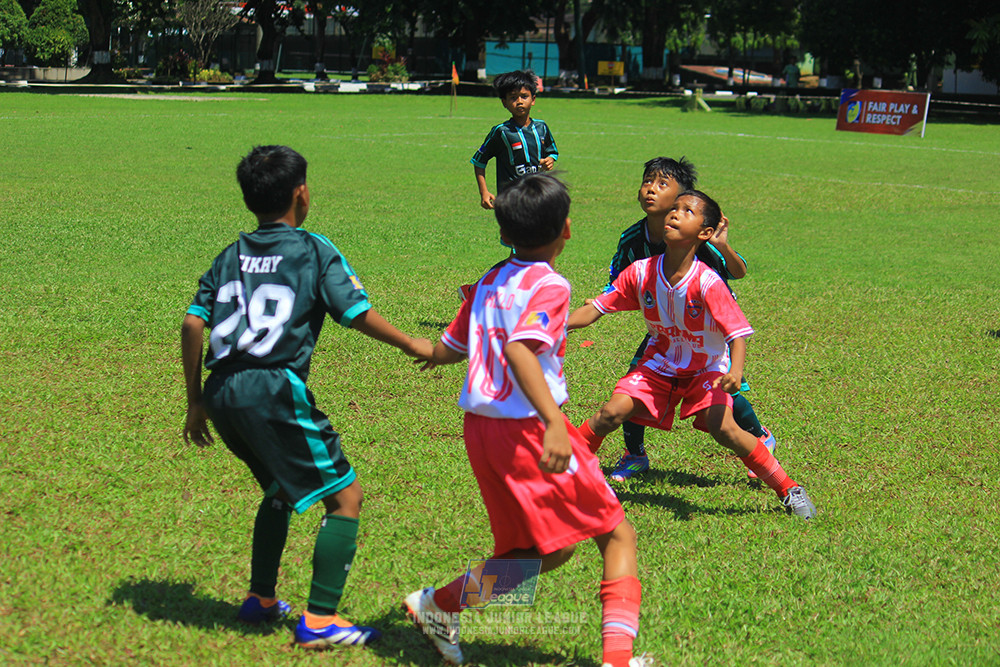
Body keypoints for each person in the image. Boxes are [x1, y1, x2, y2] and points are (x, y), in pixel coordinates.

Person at [181, 145, 432, 651]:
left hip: (221, 391)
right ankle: (320, 622)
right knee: (345, 498)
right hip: (273, 387)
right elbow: (355, 311)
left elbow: (192, 322)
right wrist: (413, 342)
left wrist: (194, 401)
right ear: (301, 193)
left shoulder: (231, 253)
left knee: (279, 488)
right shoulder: (313, 249)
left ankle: (261, 599)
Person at [404, 174, 649, 667]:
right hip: (529, 428)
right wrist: (555, 424)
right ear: (567, 230)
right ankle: (618, 662)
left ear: (506, 231)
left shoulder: (488, 280)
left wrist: (426, 350)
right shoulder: (552, 286)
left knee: (548, 552)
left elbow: (452, 346)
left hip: (481, 430)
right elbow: (520, 349)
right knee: (617, 534)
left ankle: (437, 605)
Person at [570, 190, 816, 520]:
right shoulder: (641, 272)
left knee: (725, 430)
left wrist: (736, 371)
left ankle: (788, 488)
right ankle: (567, 474)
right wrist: (553, 325)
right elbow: (595, 310)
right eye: (674, 209)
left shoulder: (708, 282)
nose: (674, 214)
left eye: (687, 211)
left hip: (707, 368)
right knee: (610, 414)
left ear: (704, 233)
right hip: (658, 366)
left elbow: (737, 334)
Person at [598, 157, 777, 483]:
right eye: (647, 182)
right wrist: (604, 300)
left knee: (723, 391)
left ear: (682, 197)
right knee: (635, 384)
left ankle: (759, 436)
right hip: (669, 327)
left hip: (710, 326)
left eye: (662, 184)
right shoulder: (632, 239)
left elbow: (737, 272)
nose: (651, 189)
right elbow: (619, 281)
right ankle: (635, 454)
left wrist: (723, 246)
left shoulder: (696, 238)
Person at [471, 69, 559, 211]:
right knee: (514, 233)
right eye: (513, 97)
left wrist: (550, 160)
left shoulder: (541, 127)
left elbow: (552, 152)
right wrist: (484, 192)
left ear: (533, 99)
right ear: (504, 102)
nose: (519, 102)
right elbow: (479, 161)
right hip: (510, 199)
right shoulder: (501, 132)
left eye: (524, 96)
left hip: (538, 196)